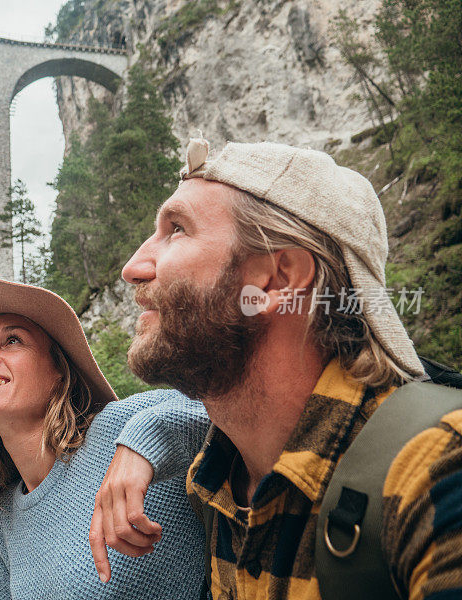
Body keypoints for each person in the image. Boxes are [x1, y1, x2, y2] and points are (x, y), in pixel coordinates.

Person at [89, 136, 462, 599]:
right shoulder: (216, 481)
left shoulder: (438, 471)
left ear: (277, 279)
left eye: (177, 229)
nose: (133, 267)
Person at [0, 270, 210, 600]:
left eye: (12, 340)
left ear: (58, 371)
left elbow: (228, 409)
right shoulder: (3, 517)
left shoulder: (123, 428)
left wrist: (144, 442)